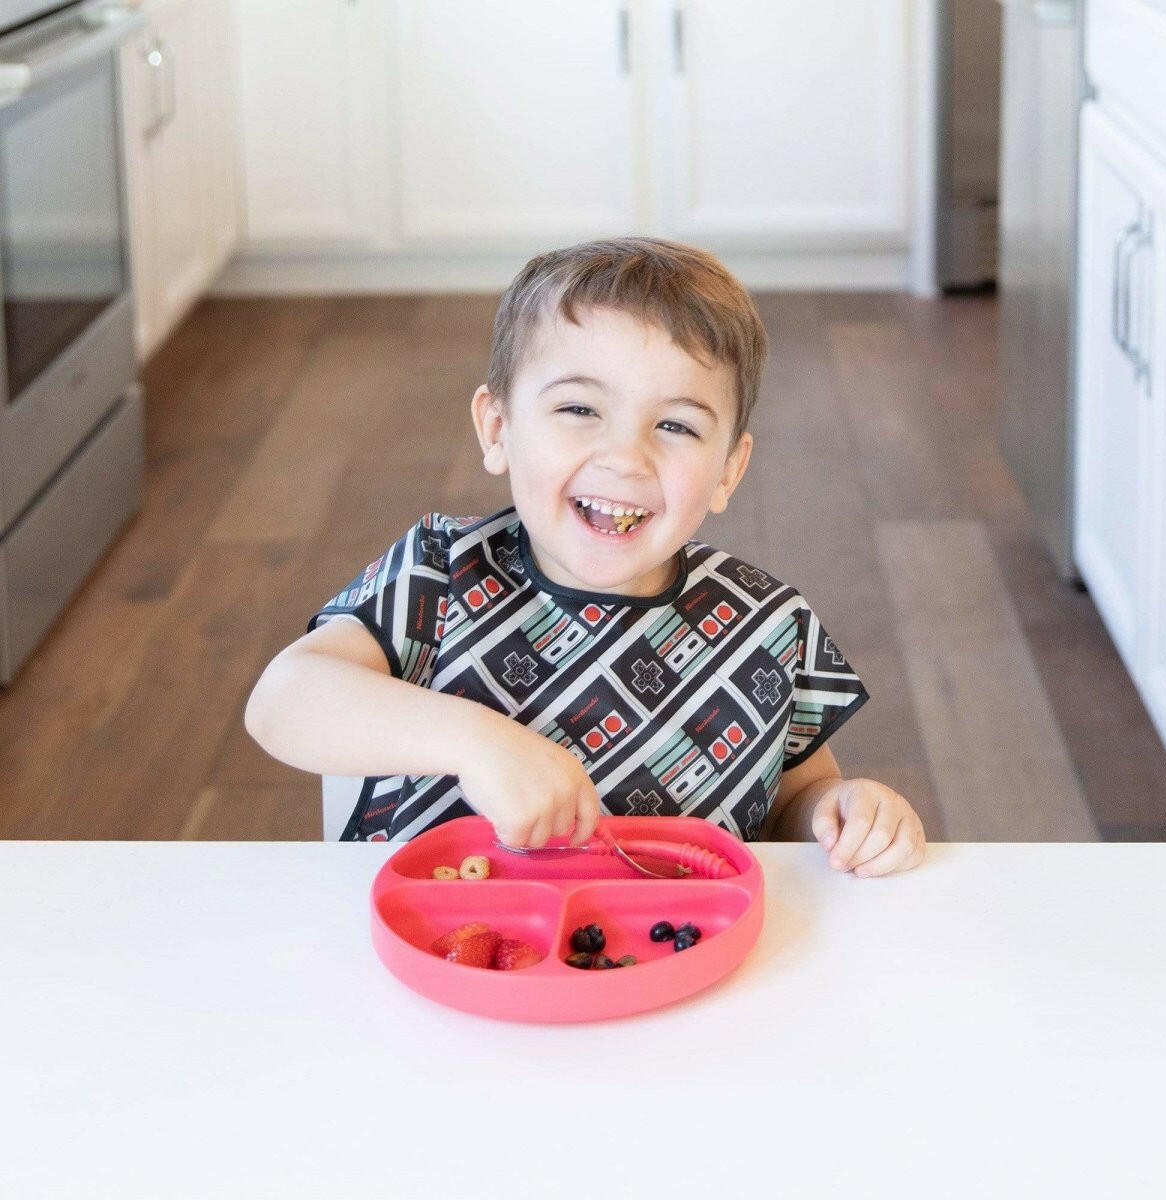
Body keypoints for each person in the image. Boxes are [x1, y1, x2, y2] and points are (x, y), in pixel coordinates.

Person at [244, 237, 925, 878]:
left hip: (681, 968)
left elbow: (795, 796)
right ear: (497, 428)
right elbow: (282, 701)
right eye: (578, 409)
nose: (626, 456)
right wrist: (475, 741)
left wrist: (839, 813)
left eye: (676, 426)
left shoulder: (769, 624)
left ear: (728, 469)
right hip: (445, 968)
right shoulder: (438, 575)